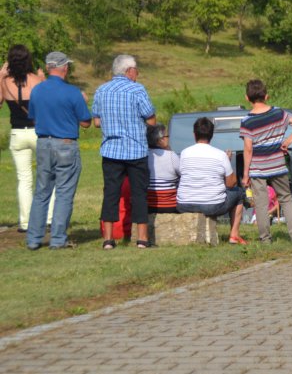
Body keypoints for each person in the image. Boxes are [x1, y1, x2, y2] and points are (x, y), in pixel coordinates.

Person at [26, 52, 92, 250]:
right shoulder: (72, 92)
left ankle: (33, 238)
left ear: (48, 67)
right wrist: (82, 102)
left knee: (41, 192)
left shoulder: (37, 90)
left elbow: (34, 118)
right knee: (64, 192)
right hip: (65, 143)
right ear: (65, 68)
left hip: (43, 143)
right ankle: (57, 239)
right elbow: (86, 122)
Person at [92, 54, 157, 250]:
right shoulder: (137, 90)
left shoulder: (101, 90)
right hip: (136, 150)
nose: (137, 73)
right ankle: (142, 239)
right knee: (139, 194)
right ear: (129, 71)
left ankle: (108, 239)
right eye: (136, 69)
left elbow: (97, 122)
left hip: (111, 151)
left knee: (111, 193)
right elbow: (151, 119)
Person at [239, 79, 292, 245]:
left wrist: (245, 174)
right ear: (266, 96)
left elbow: (248, 149)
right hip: (278, 165)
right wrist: (287, 142)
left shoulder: (246, 121)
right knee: (286, 198)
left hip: (257, 168)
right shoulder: (279, 113)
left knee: (261, 203)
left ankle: (265, 239)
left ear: (247, 98)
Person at [0, 45, 52, 233]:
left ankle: (25, 222)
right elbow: (48, 102)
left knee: (24, 180)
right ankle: (49, 218)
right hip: (38, 132)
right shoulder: (36, 80)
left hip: (17, 133)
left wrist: (0, 76)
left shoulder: (5, 82)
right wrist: (43, 78)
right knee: (47, 175)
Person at [176, 116, 247, 244]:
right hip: (211, 205)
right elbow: (231, 183)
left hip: (184, 204)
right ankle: (234, 235)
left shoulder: (184, 153)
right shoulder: (220, 155)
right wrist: (227, 162)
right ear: (211, 135)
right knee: (239, 193)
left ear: (194, 134)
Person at [146, 123, 180, 214]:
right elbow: (182, 175)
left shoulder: (145, 156)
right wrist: (170, 150)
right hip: (169, 205)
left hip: (149, 205)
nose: (168, 139)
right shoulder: (171, 156)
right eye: (167, 136)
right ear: (161, 139)